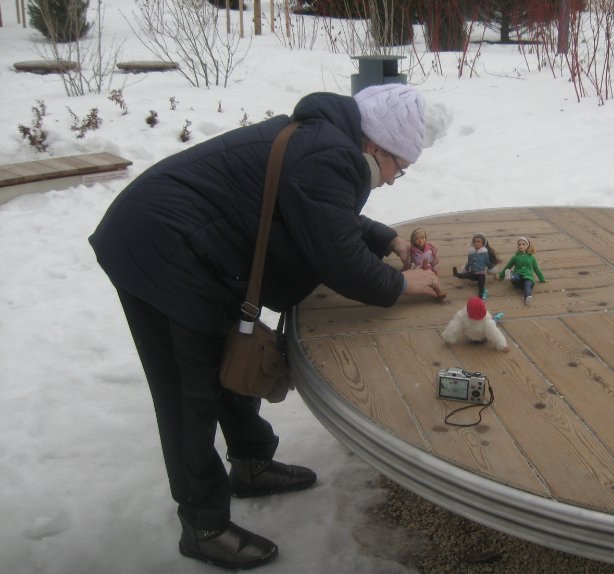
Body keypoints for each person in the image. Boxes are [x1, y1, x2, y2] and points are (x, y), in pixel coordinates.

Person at [88, 84, 443, 570]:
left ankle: (251, 463)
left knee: (231, 355)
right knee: (189, 394)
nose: (392, 180)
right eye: (398, 168)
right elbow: (341, 259)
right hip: (161, 248)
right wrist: (402, 283)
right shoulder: (327, 155)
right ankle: (204, 525)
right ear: (375, 146)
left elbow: (319, 213)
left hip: (198, 246)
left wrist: (388, 240)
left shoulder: (325, 143)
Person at [499, 236, 545, 305]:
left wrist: (542, 279)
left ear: (528, 245)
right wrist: (501, 276)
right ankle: (511, 277)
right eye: (519, 244)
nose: (521, 246)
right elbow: (508, 266)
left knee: (527, 287)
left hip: (528, 277)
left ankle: (527, 298)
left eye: (523, 244)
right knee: (516, 277)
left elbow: (536, 269)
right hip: (517, 277)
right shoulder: (515, 257)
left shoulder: (531, 257)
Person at [452, 232, 499, 299]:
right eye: (475, 241)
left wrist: (492, 269)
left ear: (483, 243)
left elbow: (488, 263)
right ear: (473, 243)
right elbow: (469, 262)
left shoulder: (485, 254)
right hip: (472, 273)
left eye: (479, 242)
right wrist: (465, 269)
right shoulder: (471, 253)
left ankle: (480, 298)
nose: (477, 243)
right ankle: (456, 274)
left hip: (481, 275)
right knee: (463, 276)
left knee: (481, 288)